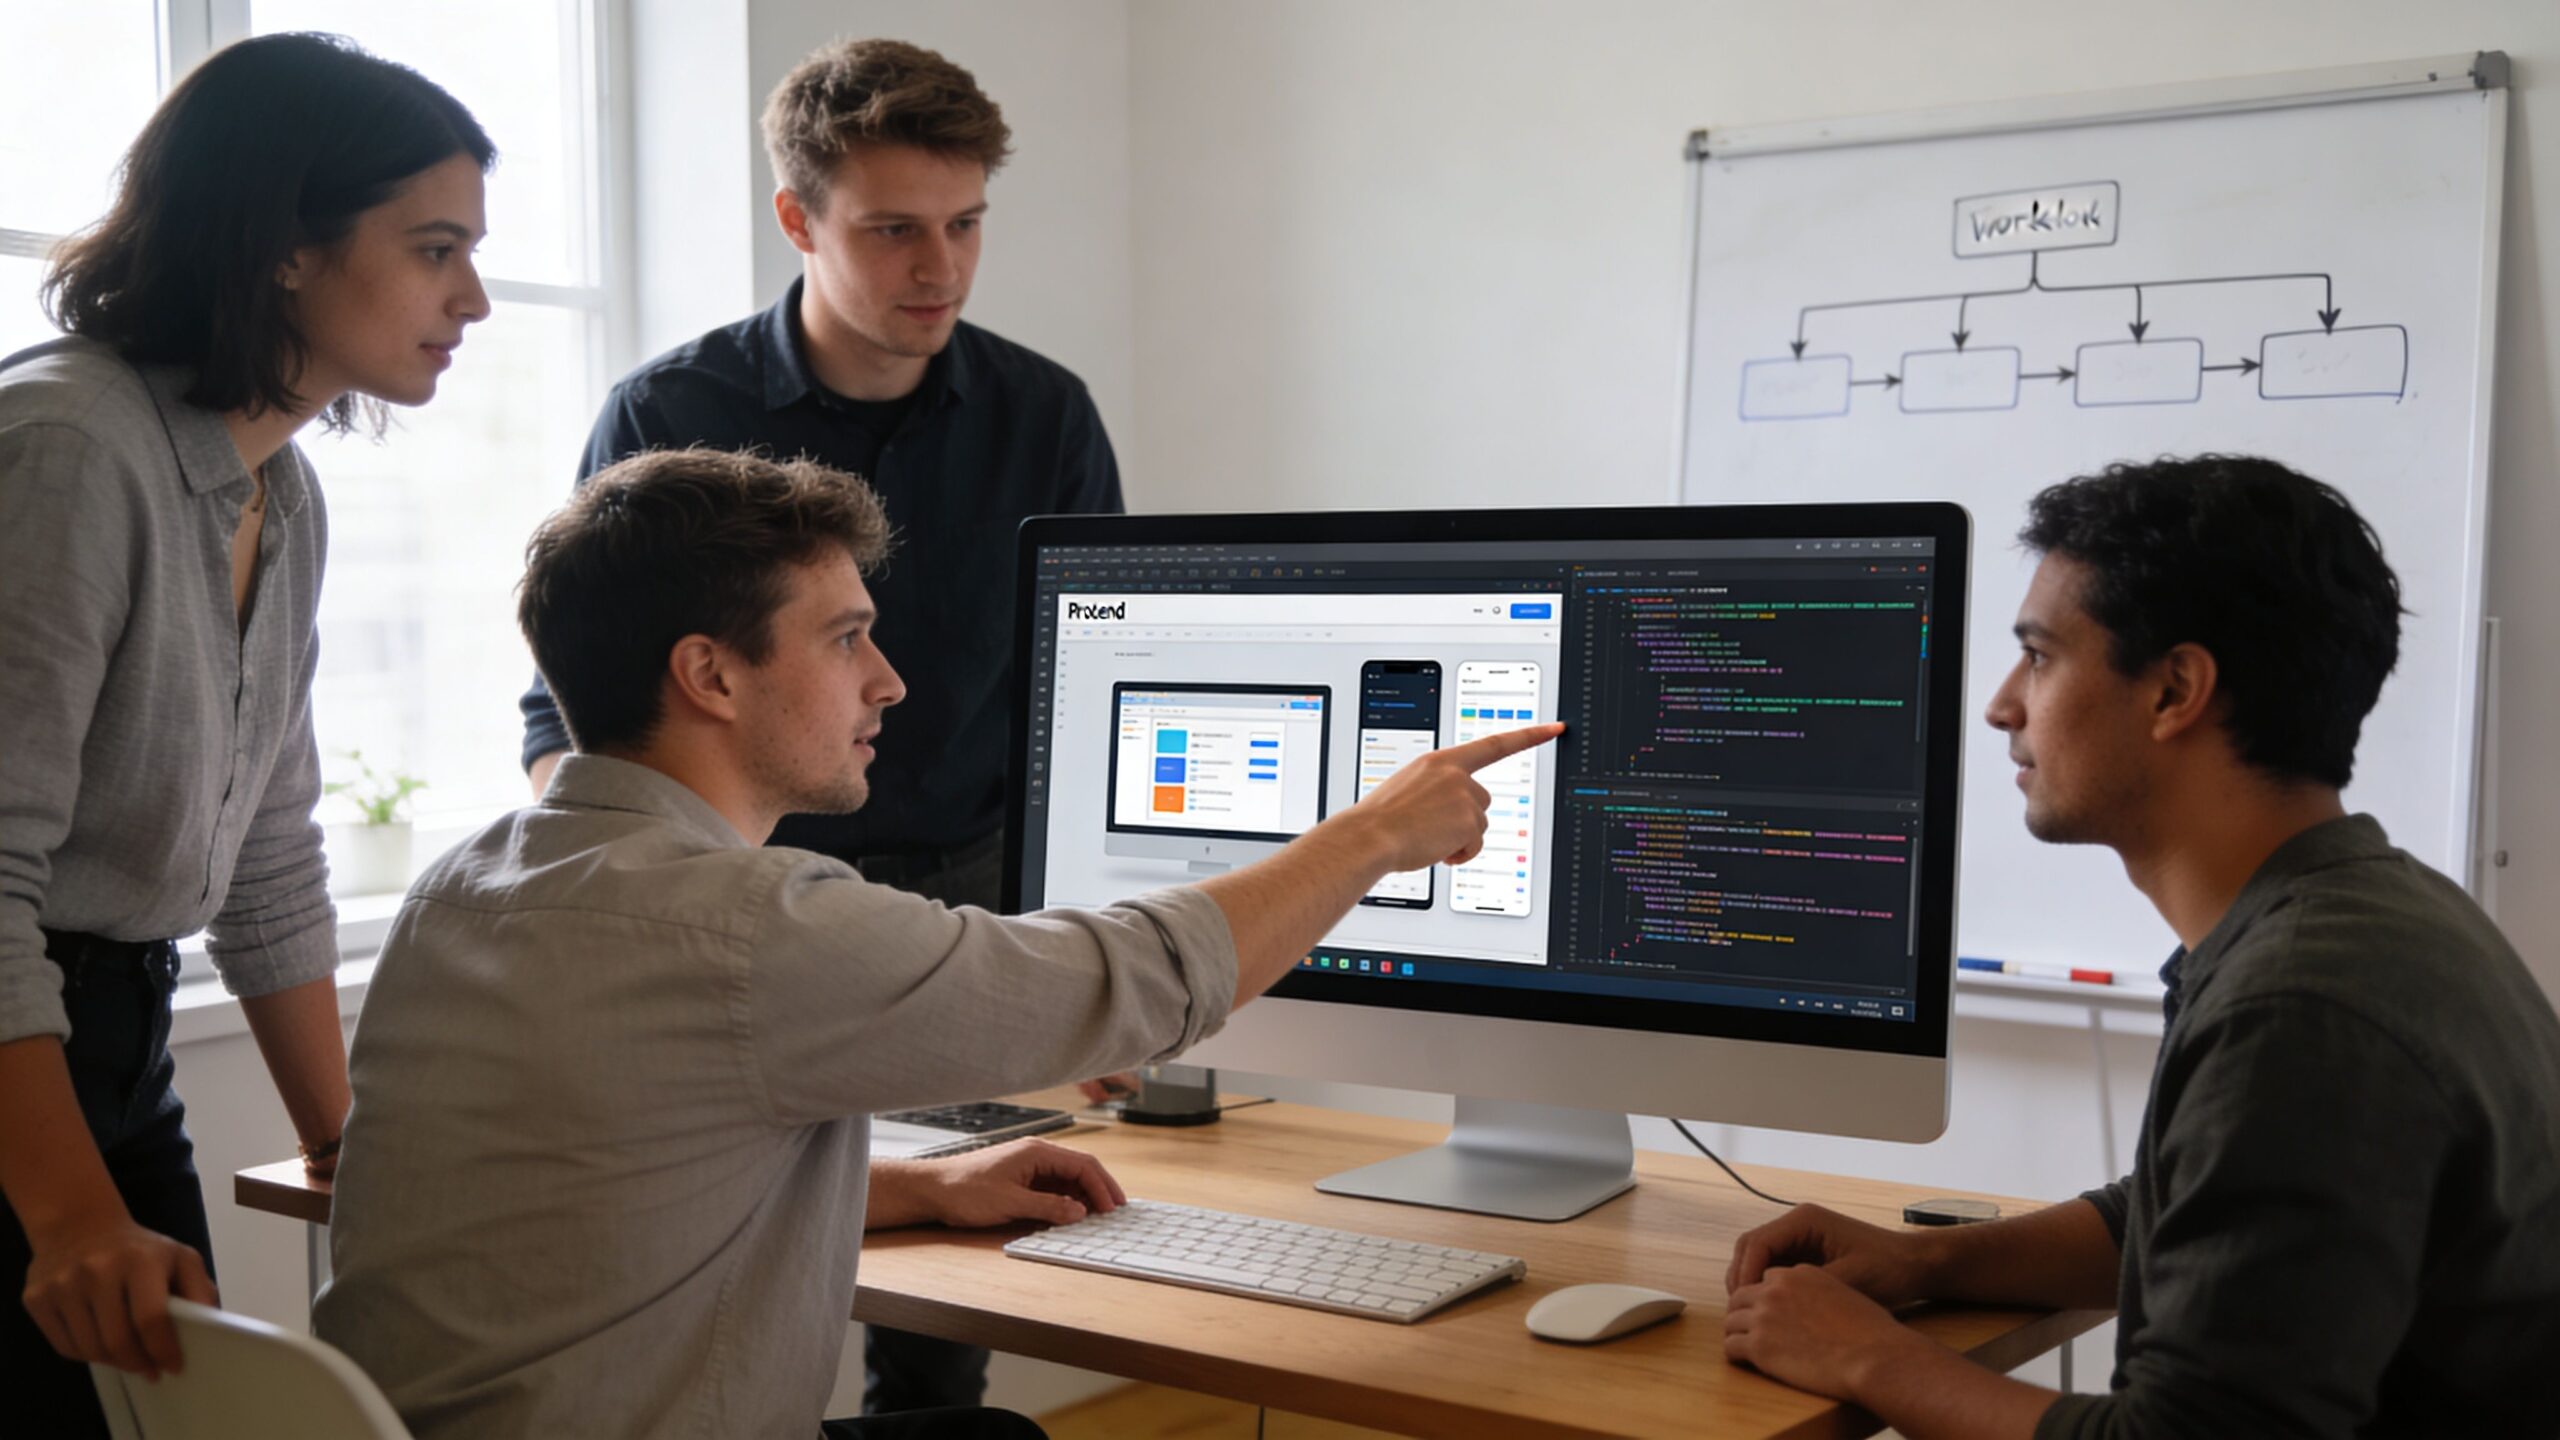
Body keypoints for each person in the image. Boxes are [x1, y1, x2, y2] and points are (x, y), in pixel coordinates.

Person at [314, 447, 1557, 1438]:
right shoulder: (750, 928)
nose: (889, 681)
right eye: (845, 637)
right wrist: (1378, 833)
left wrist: (915, 1187)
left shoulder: (456, 889)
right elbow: (1131, 982)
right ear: (711, 675)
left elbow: (603, 1193)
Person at [512, 39, 1118, 1407]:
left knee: (956, 1294)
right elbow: (579, 701)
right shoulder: (668, 414)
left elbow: (1088, 696)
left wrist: (1074, 919)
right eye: (894, 229)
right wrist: (643, 897)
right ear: (798, 220)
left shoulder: (1046, 415)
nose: (940, 269)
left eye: (965, 226)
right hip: (731, 899)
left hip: (964, 895)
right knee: (724, 1257)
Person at [1719, 455, 2560, 1438]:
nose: (2001, 704)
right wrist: (1923, 1263)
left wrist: (1865, 1355)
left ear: (2173, 692)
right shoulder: (2366, 909)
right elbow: (2188, 1215)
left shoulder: (2296, 1008)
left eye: (2038, 655)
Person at [0, 33, 493, 1437]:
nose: (472, 296)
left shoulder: (285, 493)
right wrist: (70, 1218)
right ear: (286, 243)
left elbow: (269, 855)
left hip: (114, 1045)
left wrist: (346, 1139)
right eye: (435, 246)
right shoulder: (68, 450)